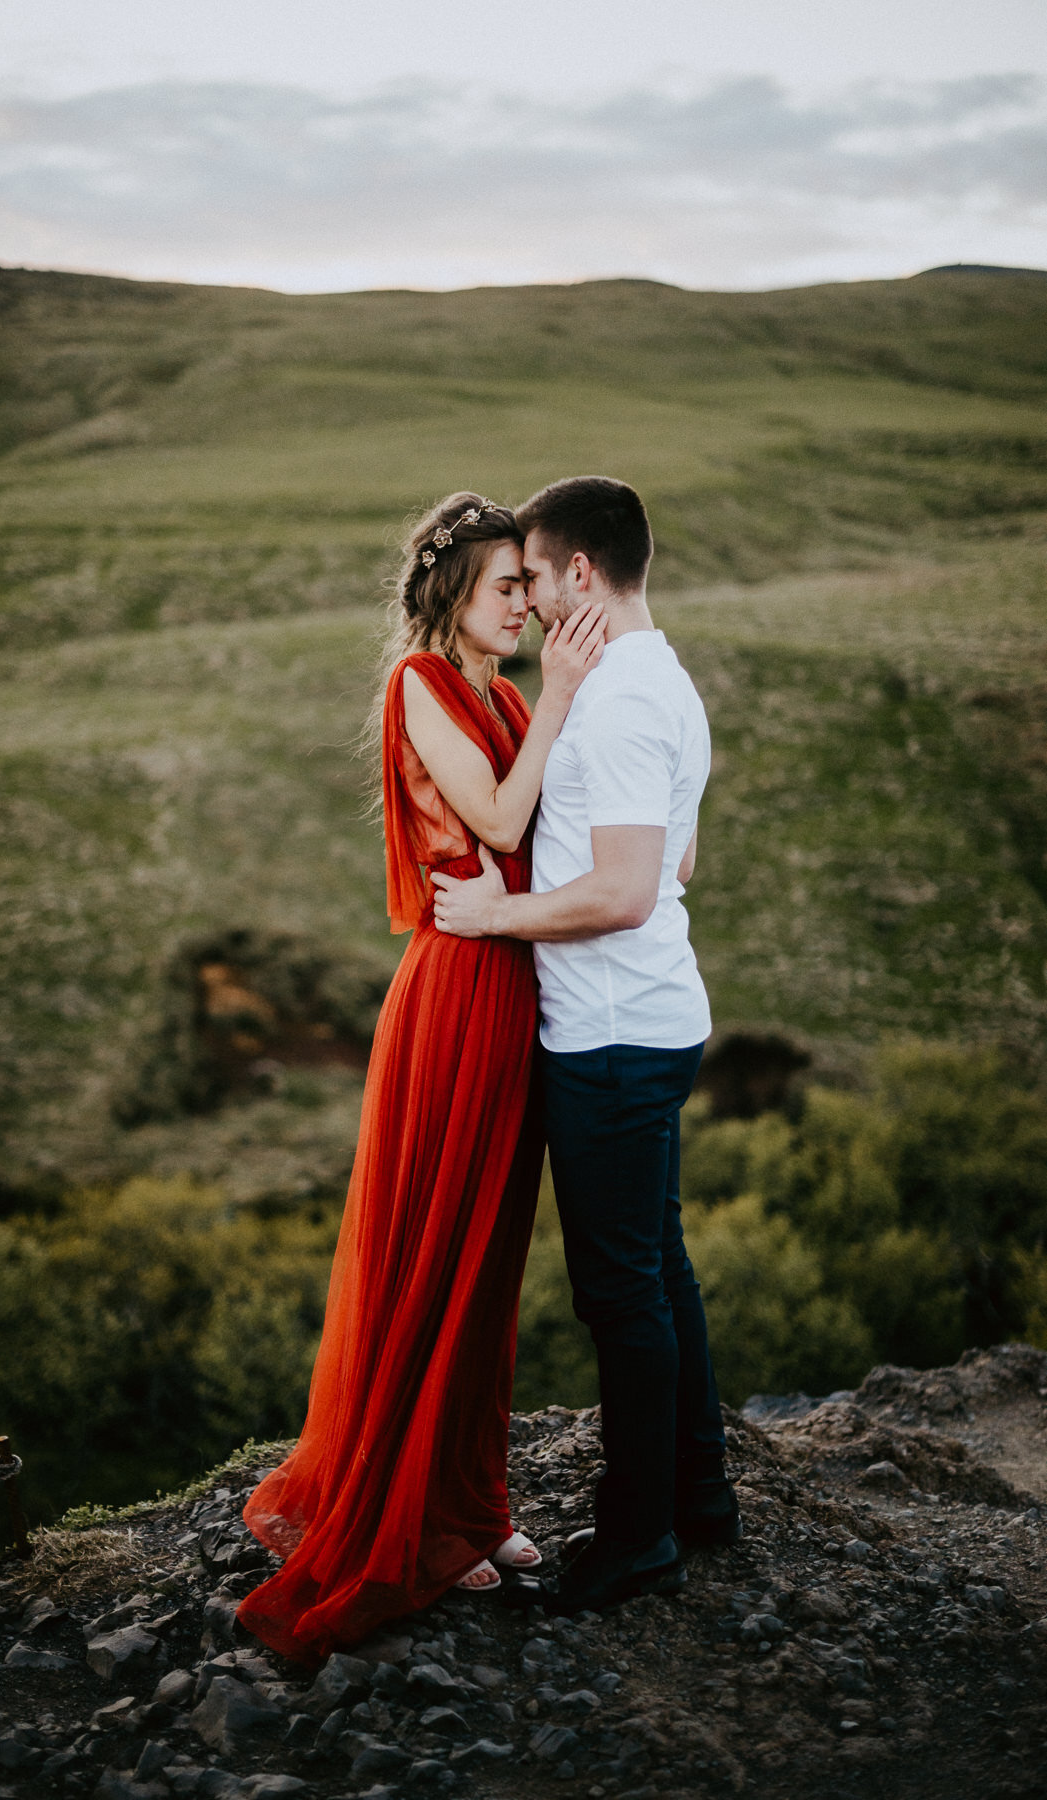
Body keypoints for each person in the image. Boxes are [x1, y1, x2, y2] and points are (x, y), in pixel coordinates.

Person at [236, 493, 605, 1662]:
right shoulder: (419, 687)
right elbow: (497, 813)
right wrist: (559, 700)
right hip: (454, 991)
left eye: (527, 585)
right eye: (508, 586)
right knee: (436, 1247)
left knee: (488, 1257)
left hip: (512, 982)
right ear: (452, 592)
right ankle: (420, 1518)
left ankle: (468, 1507)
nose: (526, 604)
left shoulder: (497, 695)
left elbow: (543, 836)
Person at [432, 475, 739, 1616]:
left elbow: (619, 889)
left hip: (608, 1033)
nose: (524, 597)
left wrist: (495, 915)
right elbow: (677, 863)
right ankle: (698, 1498)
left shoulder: (612, 703)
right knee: (658, 1268)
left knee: (619, 1293)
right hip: (657, 1015)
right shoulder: (665, 677)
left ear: (575, 575)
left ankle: (637, 1539)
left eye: (531, 574)